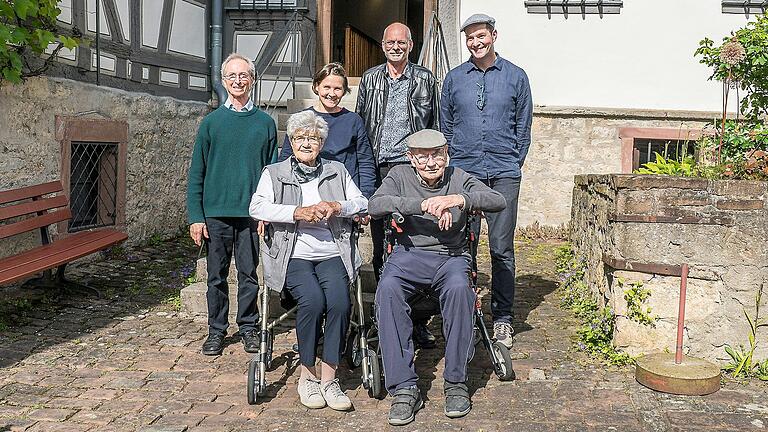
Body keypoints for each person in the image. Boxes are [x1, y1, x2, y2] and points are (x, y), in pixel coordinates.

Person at [368, 129, 506, 425]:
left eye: (437, 155)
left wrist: (458, 199)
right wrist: (420, 205)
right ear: (411, 158)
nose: (431, 162)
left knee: (460, 290)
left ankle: (456, 382)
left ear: (447, 155)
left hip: (451, 257)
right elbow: (376, 206)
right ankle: (404, 387)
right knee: (388, 289)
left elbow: (497, 200)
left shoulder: (459, 176)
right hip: (406, 256)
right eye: (423, 157)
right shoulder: (399, 175)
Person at [249, 110, 367, 411]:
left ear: (321, 142)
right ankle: (307, 376)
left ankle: (329, 379)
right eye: (300, 137)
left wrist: (336, 205)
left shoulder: (336, 170)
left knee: (340, 303)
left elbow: (361, 202)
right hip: (294, 255)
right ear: (291, 140)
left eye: (313, 138)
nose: (306, 143)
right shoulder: (274, 173)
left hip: (332, 253)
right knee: (312, 301)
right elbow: (257, 207)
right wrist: (295, 213)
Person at [440, 13, 533, 349]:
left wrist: (511, 161)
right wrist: (459, 161)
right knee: (463, 245)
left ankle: (503, 318)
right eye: (470, 38)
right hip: (465, 174)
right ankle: (466, 312)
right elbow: (446, 124)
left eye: (481, 36)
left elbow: (524, 129)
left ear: (494, 35)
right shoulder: (454, 79)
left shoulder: (516, 77)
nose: (476, 43)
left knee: (501, 247)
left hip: (504, 172)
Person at [186, 52, 278, 356]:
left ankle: (249, 327)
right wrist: (196, 216)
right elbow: (197, 171)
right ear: (224, 81)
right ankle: (216, 330)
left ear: (252, 80)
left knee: (250, 274)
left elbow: (271, 173)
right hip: (216, 214)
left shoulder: (266, 123)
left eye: (244, 75)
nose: (238, 81)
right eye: (232, 76)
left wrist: (268, 213)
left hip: (251, 214)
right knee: (216, 276)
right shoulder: (212, 123)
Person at [356, 21, 440, 348]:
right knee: (381, 244)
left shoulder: (425, 79)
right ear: (382, 44)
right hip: (378, 168)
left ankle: (417, 319)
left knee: (414, 243)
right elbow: (362, 125)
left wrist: (433, 168)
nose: (395, 46)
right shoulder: (370, 78)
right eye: (390, 41)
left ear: (410, 44)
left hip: (411, 168)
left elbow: (435, 126)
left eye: (401, 41)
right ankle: (385, 313)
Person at [279, 63, 376, 199]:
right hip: (307, 191)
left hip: (344, 193)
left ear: (344, 91)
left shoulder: (353, 121)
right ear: (316, 86)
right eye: (327, 87)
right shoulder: (301, 119)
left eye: (337, 89)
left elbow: (365, 163)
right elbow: (286, 158)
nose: (331, 94)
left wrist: (365, 198)